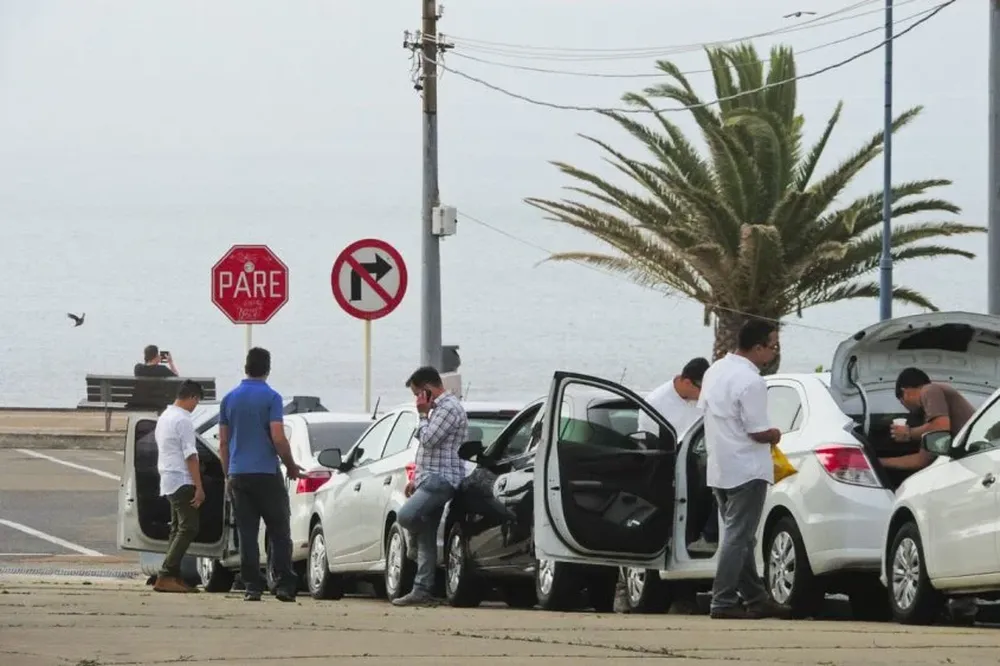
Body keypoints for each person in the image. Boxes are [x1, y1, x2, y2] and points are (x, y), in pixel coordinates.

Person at [698, 318, 784, 620]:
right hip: (747, 468)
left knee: (743, 537)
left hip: (720, 467)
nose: (774, 352)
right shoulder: (752, 381)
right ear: (758, 347)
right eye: (773, 346)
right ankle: (722, 600)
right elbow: (757, 431)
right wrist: (775, 434)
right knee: (737, 537)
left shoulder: (715, 371)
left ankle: (756, 598)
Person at [218, 347, 303, 603]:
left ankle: (252, 587)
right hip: (266, 472)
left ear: (246, 367)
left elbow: (223, 443)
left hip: (238, 474)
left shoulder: (229, 399)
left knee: (247, 533)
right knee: (279, 530)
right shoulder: (272, 397)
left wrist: (227, 474)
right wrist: (291, 465)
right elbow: (278, 436)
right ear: (268, 368)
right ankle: (283, 584)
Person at [392, 366, 469, 607]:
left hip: (441, 479)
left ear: (427, 388)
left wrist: (422, 414)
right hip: (429, 478)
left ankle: (413, 547)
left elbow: (428, 440)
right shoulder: (439, 409)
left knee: (406, 516)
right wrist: (416, 478)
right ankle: (422, 589)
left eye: (418, 393)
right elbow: (429, 453)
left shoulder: (448, 408)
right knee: (426, 534)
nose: (417, 399)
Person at [637, 357, 716, 553]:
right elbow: (651, 445)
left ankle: (706, 537)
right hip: (668, 461)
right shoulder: (655, 403)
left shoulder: (705, 398)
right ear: (687, 382)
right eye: (702, 390)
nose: (705, 395)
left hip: (703, 456)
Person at [153, 380, 205, 593]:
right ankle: (166, 574)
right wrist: (199, 486)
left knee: (177, 528)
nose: (195, 406)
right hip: (182, 478)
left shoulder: (165, 416)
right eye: (197, 401)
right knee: (189, 527)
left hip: (167, 477)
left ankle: (173, 575)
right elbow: (191, 455)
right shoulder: (183, 420)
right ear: (192, 397)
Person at [881, 367, 976, 471]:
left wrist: (908, 433)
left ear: (905, 392)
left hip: (975, 453)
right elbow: (921, 461)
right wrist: (880, 462)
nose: (908, 409)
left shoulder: (929, 390)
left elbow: (941, 427)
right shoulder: (931, 415)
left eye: (902, 402)